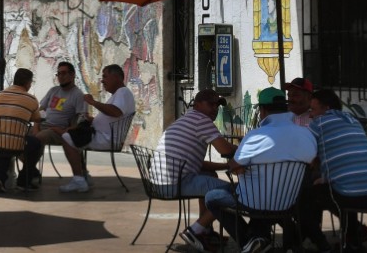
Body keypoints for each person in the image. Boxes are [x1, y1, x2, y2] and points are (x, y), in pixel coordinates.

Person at [204, 87, 317, 253]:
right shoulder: (306, 135)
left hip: (253, 201)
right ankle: (259, 239)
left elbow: (234, 166)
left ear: (263, 110)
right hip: (288, 201)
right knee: (266, 199)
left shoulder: (255, 136)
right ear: (285, 108)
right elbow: (311, 162)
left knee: (212, 197)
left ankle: (250, 242)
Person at [299, 89, 367, 253]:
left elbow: (303, 152)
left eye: (313, 109)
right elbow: (344, 158)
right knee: (332, 188)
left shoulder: (319, 123)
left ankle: (317, 243)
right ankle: (353, 239)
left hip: (351, 196)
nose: (310, 114)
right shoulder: (352, 120)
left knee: (305, 197)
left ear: (326, 108)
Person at [154, 88, 237, 252]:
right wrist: (247, 151)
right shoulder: (202, 121)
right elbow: (225, 150)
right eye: (210, 104)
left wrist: (226, 166)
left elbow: (198, 164)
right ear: (197, 104)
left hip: (159, 183)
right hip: (174, 183)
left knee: (209, 174)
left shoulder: (185, 120)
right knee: (230, 192)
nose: (215, 108)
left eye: (217, 106)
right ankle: (195, 231)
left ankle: (206, 231)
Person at [58, 64, 135, 193]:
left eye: (105, 76)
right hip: (103, 136)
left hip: (106, 139)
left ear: (116, 77)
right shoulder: (120, 94)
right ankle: (83, 176)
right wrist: (93, 120)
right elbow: (113, 116)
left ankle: (79, 180)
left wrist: (93, 103)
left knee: (67, 138)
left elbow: (116, 112)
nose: (102, 80)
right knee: (74, 135)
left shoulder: (123, 92)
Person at [0, 68, 42, 192]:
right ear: (28, 83)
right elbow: (37, 118)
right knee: (36, 144)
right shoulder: (32, 100)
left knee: (4, 143)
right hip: (17, 144)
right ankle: (24, 180)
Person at [34, 61, 88, 168]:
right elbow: (41, 110)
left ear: (72, 75)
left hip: (58, 130)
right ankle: (30, 171)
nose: (60, 77)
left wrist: (66, 130)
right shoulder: (53, 91)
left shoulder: (77, 95)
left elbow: (81, 118)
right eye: (58, 74)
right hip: (43, 126)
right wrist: (36, 126)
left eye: (63, 73)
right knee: (19, 138)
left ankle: (27, 173)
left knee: (38, 139)